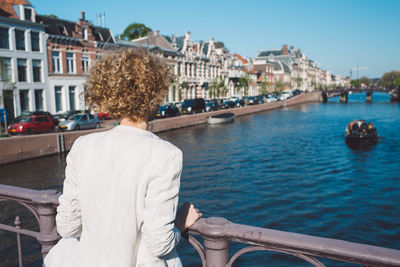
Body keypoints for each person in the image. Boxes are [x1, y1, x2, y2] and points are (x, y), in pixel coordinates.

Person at [44, 48, 202, 267]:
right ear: (154, 95)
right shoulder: (166, 154)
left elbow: (67, 226)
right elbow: (158, 244)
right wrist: (181, 224)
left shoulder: (83, 146)